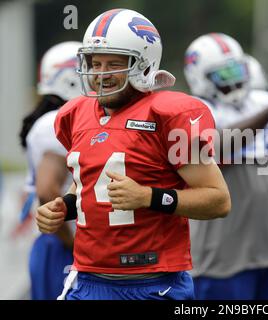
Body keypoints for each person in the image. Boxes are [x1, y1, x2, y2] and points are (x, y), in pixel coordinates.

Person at [35, 9, 231, 300]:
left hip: (152, 283)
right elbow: (89, 181)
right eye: (94, 63)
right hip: (87, 278)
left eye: (114, 64)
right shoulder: (75, 114)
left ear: (144, 64)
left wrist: (148, 197)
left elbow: (218, 200)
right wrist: (64, 206)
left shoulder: (168, 115)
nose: (101, 74)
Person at [184, 33, 268, 300]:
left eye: (236, 70)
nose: (233, 80)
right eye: (222, 75)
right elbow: (217, 145)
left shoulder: (261, 101)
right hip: (222, 257)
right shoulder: (195, 110)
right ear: (199, 78)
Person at [19, 41, 81, 299]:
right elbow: (47, 190)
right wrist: (76, 244)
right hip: (63, 247)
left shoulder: (49, 120)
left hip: (54, 244)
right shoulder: (57, 122)